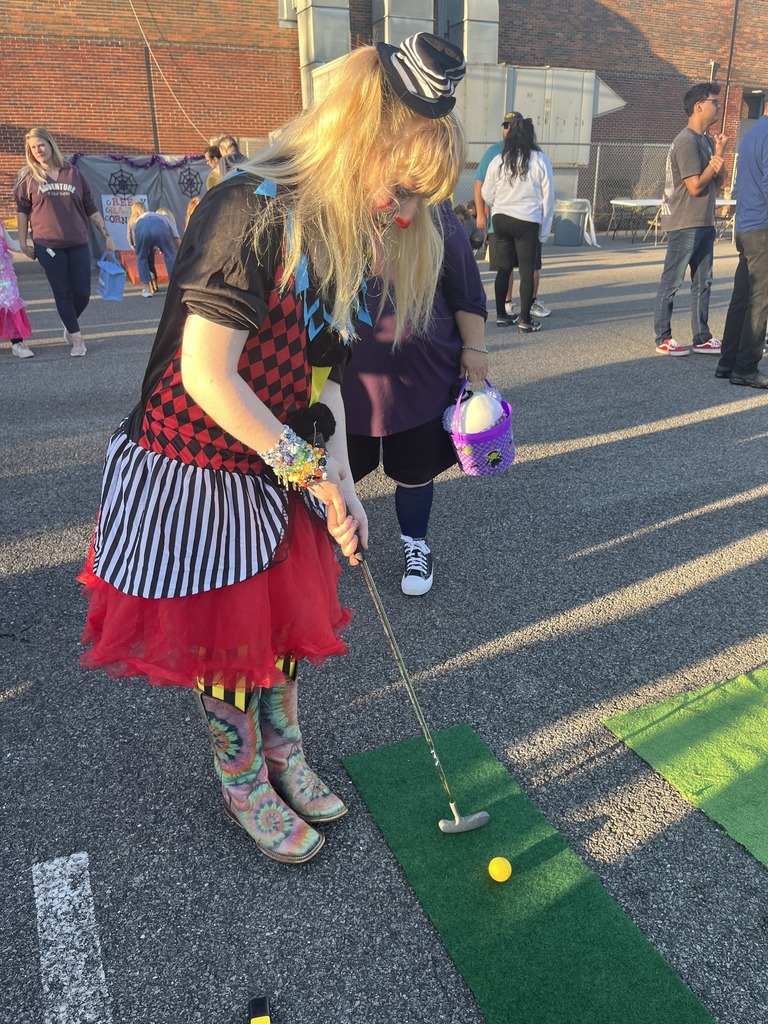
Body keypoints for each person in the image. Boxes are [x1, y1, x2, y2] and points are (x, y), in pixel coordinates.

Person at [78, 32, 467, 865]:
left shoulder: (344, 230)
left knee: (284, 631)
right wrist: (303, 467)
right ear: (358, 140)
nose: (406, 215)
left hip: (279, 452)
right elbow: (209, 376)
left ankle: (285, 750)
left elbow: (324, 370)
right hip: (205, 461)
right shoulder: (246, 209)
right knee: (231, 639)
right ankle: (242, 774)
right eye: (402, 188)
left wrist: (339, 476)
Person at [343, 202, 488, 596]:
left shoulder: (434, 212)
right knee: (339, 472)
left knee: (415, 470)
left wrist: (475, 347)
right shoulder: (340, 199)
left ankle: (415, 544)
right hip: (348, 374)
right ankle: (325, 546)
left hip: (421, 373)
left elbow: (465, 289)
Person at [14, 127, 116, 357]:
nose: (38, 150)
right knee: (62, 291)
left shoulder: (74, 174)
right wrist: (23, 243)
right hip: (47, 244)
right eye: (33, 147)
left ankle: (69, 323)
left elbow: (90, 207)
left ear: (50, 145)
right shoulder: (28, 177)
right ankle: (77, 339)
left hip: (78, 241)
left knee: (82, 293)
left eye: (41, 145)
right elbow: (22, 211)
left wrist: (107, 235)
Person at [653, 83, 728, 356]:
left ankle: (702, 337)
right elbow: (695, 186)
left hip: (704, 221)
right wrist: (713, 164)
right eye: (714, 102)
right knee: (672, 281)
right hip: (684, 222)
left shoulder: (706, 141)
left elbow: (719, 183)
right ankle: (663, 337)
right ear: (699, 106)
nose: (717, 106)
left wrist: (718, 154)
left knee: (703, 282)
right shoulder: (686, 141)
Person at [474, 113, 551, 320]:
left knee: (503, 268)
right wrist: (544, 231)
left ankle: (501, 315)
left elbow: (486, 192)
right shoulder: (539, 159)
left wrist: (497, 203)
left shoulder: (499, 159)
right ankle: (525, 319)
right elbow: (548, 198)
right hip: (527, 220)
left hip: (501, 218)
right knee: (526, 270)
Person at [715, 109, 768, 387]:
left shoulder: (751, 134)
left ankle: (728, 361)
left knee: (741, 297)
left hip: (747, 225)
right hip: (763, 228)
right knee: (760, 300)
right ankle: (746, 367)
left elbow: (738, 187)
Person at [126, 201, 181, 297]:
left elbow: (132, 237)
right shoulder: (164, 218)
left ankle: (146, 289)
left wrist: (136, 248)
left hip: (141, 228)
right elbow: (176, 238)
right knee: (169, 255)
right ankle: (174, 287)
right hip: (159, 227)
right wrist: (181, 252)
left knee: (142, 258)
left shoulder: (136, 220)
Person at [1, 216, 34, 358]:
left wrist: (28, 249)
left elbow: (10, 244)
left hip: (4, 275)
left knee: (11, 304)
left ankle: (17, 343)